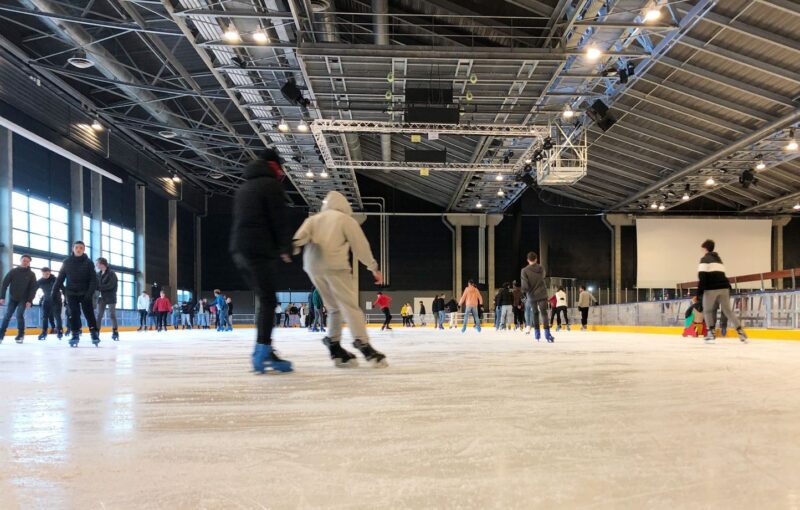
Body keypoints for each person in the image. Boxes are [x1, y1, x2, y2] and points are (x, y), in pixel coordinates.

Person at [293, 190, 387, 368]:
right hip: (335, 266)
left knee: (334, 307)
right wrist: (373, 267)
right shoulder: (345, 219)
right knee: (349, 306)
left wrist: (292, 249)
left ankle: (334, 344)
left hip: (312, 268)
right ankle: (363, 344)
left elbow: (298, 239)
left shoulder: (313, 219)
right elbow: (361, 246)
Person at [698, 239, 747, 344]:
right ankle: (740, 331)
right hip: (724, 288)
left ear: (705, 248)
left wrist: (699, 292)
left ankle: (711, 332)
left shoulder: (704, 259)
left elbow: (702, 277)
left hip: (711, 289)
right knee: (728, 311)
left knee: (707, 310)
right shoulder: (719, 260)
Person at [53, 241, 100, 347]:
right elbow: (60, 278)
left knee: (89, 313)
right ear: (73, 249)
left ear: (84, 250)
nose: (79, 249)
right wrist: (54, 291)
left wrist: (89, 293)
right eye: (77, 247)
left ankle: (94, 333)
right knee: (73, 314)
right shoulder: (67, 262)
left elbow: (93, 280)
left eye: (81, 248)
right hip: (71, 293)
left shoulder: (88, 263)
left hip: (85, 292)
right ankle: (75, 334)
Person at [0, 254, 38, 344]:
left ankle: (20, 335)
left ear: (29, 263)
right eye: (24, 260)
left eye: (27, 261)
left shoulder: (31, 274)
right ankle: (1, 335)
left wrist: (30, 300)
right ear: (20, 260)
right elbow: (4, 284)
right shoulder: (13, 271)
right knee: (7, 316)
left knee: (19, 315)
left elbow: (33, 289)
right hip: (13, 298)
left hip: (23, 299)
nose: (25, 262)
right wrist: (2, 297)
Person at [521, 251, 553, 342]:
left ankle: (537, 335)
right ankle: (547, 334)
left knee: (535, 313)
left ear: (528, 260)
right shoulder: (541, 268)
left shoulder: (524, 271)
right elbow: (543, 277)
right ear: (536, 259)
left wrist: (524, 293)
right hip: (542, 293)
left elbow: (525, 286)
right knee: (544, 313)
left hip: (531, 295)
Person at [95, 257, 120, 341]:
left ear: (102, 264)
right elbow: (95, 285)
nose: (96, 265)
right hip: (101, 298)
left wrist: (100, 287)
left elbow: (111, 285)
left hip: (110, 297)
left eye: (97, 263)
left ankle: (115, 331)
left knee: (112, 314)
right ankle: (97, 331)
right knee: (99, 315)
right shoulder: (98, 274)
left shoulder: (111, 273)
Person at [37, 267, 62, 340]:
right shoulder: (40, 281)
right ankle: (44, 332)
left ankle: (59, 331)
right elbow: (33, 289)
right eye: (44, 274)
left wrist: (66, 297)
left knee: (57, 316)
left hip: (56, 300)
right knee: (45, 317)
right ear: (42, 273)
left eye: (47, 273)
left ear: (50, 273)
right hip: (47, 300)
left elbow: (63, 287)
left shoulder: (55, 279)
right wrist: (29, 299)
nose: (46, 275)